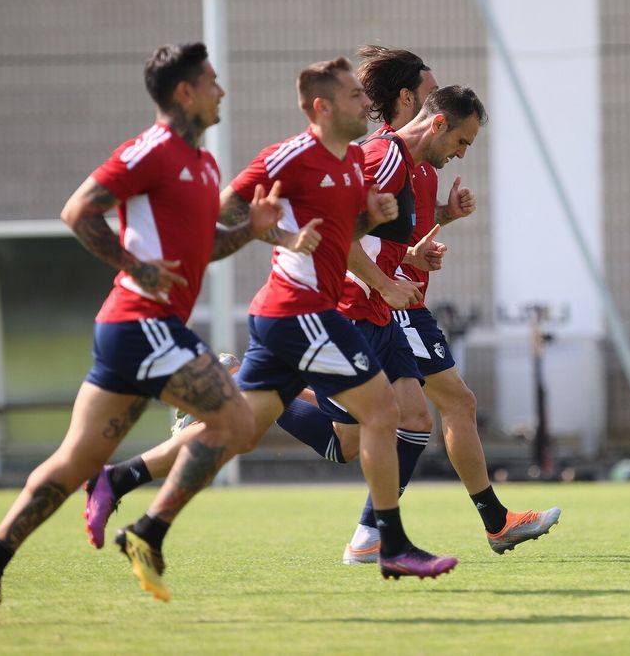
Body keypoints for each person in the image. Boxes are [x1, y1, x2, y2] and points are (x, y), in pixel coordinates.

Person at [90, 57, 458, 579]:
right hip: (301, 309)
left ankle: (127, 494)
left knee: (238, 430)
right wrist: (284, 238)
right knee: (384, 414)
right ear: (322, 107)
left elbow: (349, 236)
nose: (364, 104)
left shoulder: (355, 161)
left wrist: (387, 235)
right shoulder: (294, 155)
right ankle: (386, 545)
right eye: (354, 96)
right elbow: (227, 210)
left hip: (310, 313)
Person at [0, 43, 284, 624]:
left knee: (77, 461)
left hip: (133, 332)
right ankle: (149, 532)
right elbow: (78, 210)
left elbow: (202, 247)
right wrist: (136, 268)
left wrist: (253, 230)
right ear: (184, 92)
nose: (222, 91)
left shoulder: (203, 164)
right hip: (141, 323)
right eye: (212, 81)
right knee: (236, 421)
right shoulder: (151, 150)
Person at [334, 47, 559, 563]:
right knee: (430, 411)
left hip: (400, 297)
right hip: (388, 303)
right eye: (460, 139)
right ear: (412, 98)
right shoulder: (385, 154)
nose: (460, 151)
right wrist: (389, 280)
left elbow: (395, 236)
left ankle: (409, 528)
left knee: (373, 429)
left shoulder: (419, 164)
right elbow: (349, 233)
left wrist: (442, 221)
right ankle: (383, 531)